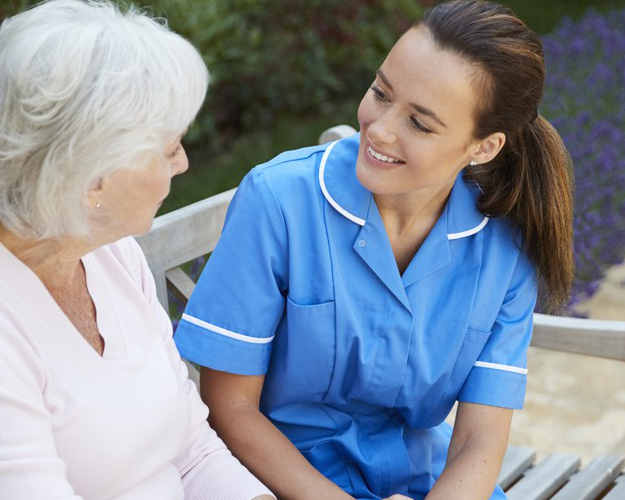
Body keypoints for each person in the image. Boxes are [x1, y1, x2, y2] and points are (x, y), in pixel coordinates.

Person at [0, 1, 272, 499]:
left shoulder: (109, 254)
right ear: (91, 177)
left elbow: (192, 450)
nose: (184, 163)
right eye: (169, 148)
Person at [172, 1, 575, 499]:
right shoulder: (279, 202)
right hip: (276, 481)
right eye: (380, 93)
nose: (380, 128)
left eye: (420, 124)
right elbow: (229, 408)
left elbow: (478, 438)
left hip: (420, 478)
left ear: (484, 146)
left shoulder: (505, 249)